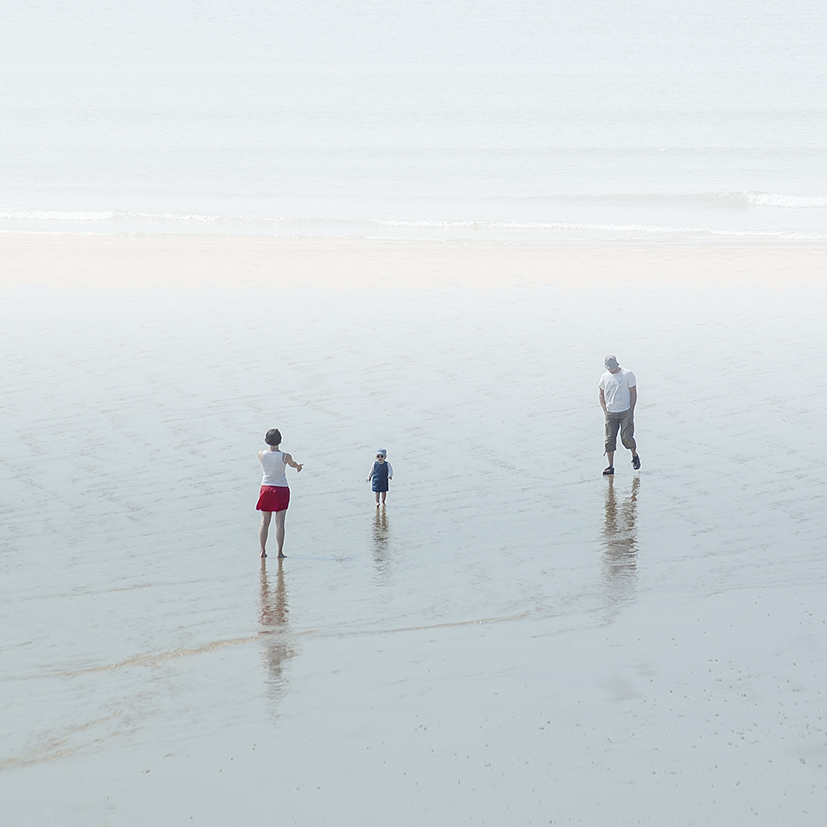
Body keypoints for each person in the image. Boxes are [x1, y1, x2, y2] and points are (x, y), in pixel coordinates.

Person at [256, 428, 303, 558]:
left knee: (265, 521)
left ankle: (262, 551)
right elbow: (292, 464)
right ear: (280, 440)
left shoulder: (261, 454)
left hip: (266, 488)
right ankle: (280, 552)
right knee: (280, 522)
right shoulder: (285, 456)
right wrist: (298, 466)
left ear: (266, 440)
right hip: (281, 489)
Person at [598, 355, 641, 476]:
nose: (611, 370)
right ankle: (610, 466)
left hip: (625, 411)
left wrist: (631, 409)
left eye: (613, 368)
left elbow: (633, 392)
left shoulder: (628, 374)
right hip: (610, 413)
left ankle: (634, 455)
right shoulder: (604, 377)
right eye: (609, 368)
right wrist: (605, 409)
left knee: (626, 437)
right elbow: (601, 393)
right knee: (609, 440)